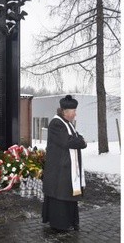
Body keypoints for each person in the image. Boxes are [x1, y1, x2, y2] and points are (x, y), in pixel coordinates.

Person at [42, 95, 87, 232]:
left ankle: (70, 221)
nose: (75, 114)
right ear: (65, 112)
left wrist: (79, 140)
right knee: (60, 196)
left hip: (66, 168)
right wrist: (81, 141)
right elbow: (69, 142)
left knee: (68, 194)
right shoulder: (56, 124)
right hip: (59, 169)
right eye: (73, 111)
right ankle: (59, 224)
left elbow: (76, 138)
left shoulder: (67, 124)